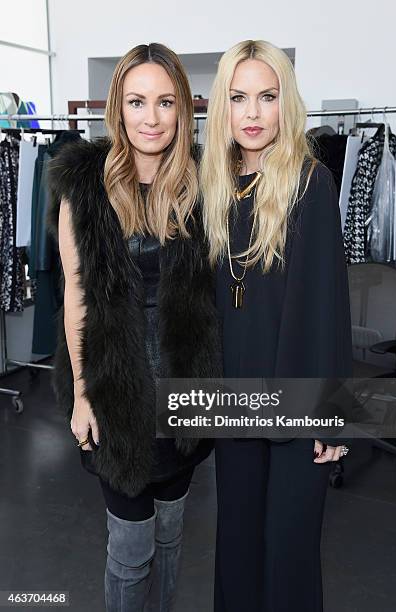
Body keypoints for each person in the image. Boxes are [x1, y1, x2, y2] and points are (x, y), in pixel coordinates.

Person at [47, 43, 221, 612]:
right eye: (137, 101)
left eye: (165, 102)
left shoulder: (200, 186)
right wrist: (80, 394)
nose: (151, 118)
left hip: (182, 392)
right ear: (118, 109)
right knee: (129, 549)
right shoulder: (86, 189)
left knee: (171, 535)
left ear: (183, 108)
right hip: (116, 393)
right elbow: (76, 296)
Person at [200, 40, 353, 612]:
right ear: (223, 106)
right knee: (236, 549)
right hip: (231, 403)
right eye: (239, 98)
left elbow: (327, 310)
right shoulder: (212, 186)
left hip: (296, 404)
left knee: (288, 556)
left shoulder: (310, 184)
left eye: (267, 97)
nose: (253, 113)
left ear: (285, 104)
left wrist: (332, 417)